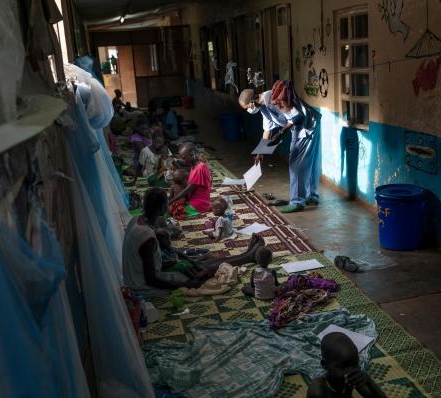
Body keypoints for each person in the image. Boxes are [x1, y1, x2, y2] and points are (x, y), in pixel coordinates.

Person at [122, 188, 266, 298]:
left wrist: (188, 260)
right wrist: (187, 284)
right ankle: (248, 257)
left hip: (144, 276)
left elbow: (156, 258)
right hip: (144, 287)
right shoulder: (147, 237)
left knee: (199, 264)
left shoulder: (136, 221)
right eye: (167, 202)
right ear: (161, 208)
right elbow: (151, 279)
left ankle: (247, 255)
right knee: (203, 269)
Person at [267, 80, 322, 213]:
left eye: (280, 102)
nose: (278, 104)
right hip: (312, 125)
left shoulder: (288, 100)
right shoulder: (286, 97)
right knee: (310, 164)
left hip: (306, 130)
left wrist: (281, 133)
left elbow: (296, 117)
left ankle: (297, 202)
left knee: (296, 166)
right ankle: (311, 196)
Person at [307, 332, 387, 398]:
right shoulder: (318, 392)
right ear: (324, 365)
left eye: (355, 364)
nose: (350, 371)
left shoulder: (352, 376)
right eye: (343, 367)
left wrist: (368, 380)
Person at [238, 88, 287, 166]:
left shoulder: (272, 98)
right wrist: (260, 152)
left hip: (304, 126)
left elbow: (293, 118)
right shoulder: (262, 108)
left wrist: (280, 134)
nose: (248, 110)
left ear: (252, 102)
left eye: (247, 108)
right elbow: (267, 131)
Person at [169, 143, 212, 214]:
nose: (183, 160)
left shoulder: (200, 168)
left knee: (172, 210)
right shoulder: (194, 165)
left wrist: (170, 201)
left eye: (184, 158)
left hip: (198, 205)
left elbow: (187, 190)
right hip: (192, 200)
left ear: (192, 155)